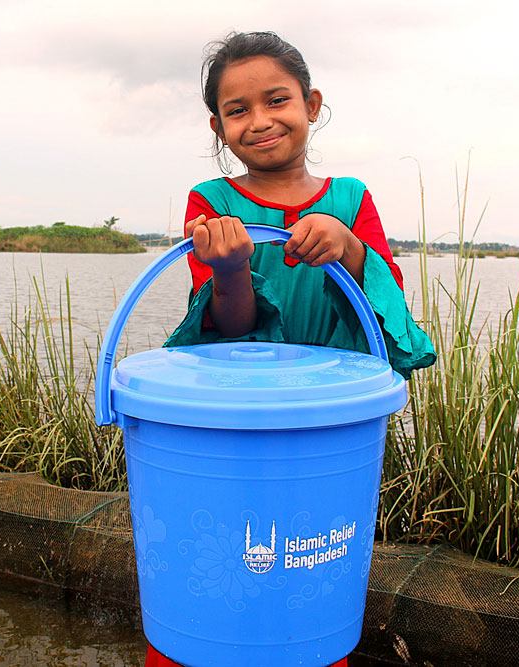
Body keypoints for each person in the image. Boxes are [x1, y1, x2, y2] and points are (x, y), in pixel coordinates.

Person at [148, 31, 436, 667]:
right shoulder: (212, 203)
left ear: (311, 103)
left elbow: (383, 305)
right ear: (218, 126)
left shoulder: (351, 199)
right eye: (237, 110)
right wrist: (227, 271)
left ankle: (305, 636)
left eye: (276, 100)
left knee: (309, 537)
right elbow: (226, 328)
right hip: (238, 409)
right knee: (234, 530)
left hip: (330, 409)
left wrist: (349, 246)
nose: (260, 121)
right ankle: (217, 636)